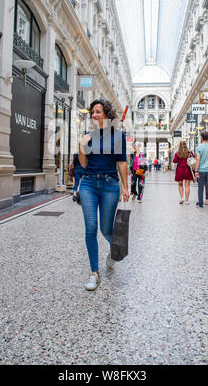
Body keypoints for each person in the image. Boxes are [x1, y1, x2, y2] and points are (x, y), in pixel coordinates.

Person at [79, 99, 129, 291]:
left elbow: (122, 162)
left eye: (98, 112)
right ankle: (94, 273)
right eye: (92, 112)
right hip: (89, 184)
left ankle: (115, 250)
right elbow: (83, 164)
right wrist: (81, 146)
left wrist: (126, 186)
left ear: (107, 115)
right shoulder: (88, 135)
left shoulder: (117, 136)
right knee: (91, 227)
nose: (94, 115)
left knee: (106, 229)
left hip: (109, 185)